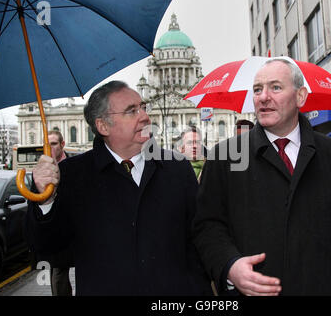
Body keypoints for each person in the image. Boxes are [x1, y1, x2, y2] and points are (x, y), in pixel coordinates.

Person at [192, 58, 331, 296]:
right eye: (258, 89)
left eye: (276, 87)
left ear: (300, 97)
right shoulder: (224, 157)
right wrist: (229, 266)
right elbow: (207, 226)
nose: (263, 97)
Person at [25, 81, 209, 295]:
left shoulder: (177, 168)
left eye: (143, 107)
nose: (145, 117)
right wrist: (46, 201)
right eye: (132, 111)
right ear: (103, 125)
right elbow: (48, 249)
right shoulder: (71, 175)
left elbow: (200, 239)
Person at [46, 130, 73, 296]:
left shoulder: (75, 166)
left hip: (79, 230)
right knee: (58, 276)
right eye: (47, 145)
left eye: (54, 144)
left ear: (62, 145)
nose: (50, 149)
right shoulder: (41, 172)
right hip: (57, 233)